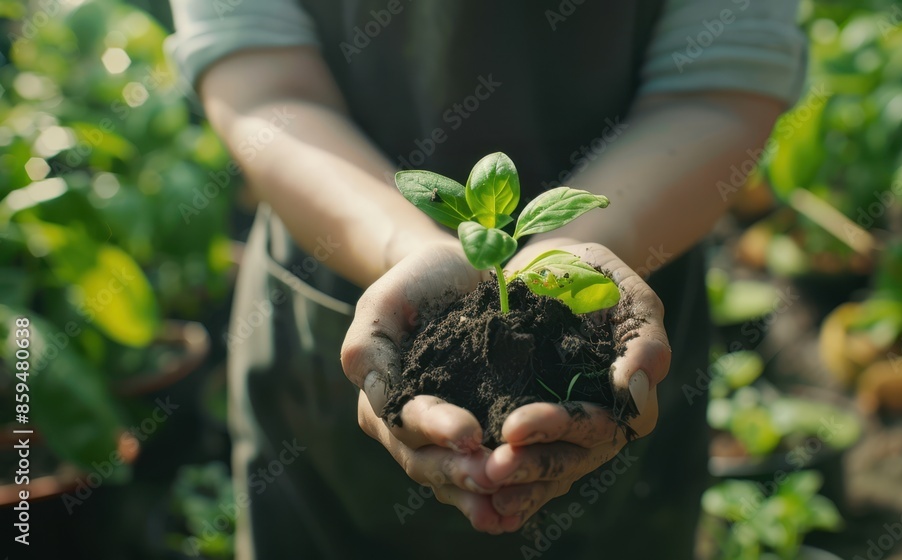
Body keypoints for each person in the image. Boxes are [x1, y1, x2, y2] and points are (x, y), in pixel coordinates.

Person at [166, 1, 806, 558]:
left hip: (629, 262)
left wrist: (568, 251)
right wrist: (403, 246)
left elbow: (718, 85)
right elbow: (265, 88)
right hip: (331, 277)